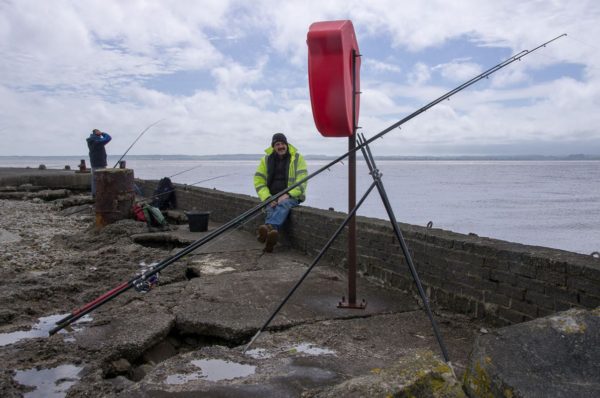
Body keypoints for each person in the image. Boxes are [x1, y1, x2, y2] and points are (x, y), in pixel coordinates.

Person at [254, 133, 307, 252]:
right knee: (270, 207)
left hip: (292, 195)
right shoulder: (266, 160)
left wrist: (288, 194)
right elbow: (258, 181)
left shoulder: (298, 158)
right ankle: (270, 241)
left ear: (287, 145)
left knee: (284, 204)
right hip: (272, 196)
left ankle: (269, 228)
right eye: (277, 144)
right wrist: (268, 197)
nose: (281, 146)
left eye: (283, 143)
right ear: (273, 147)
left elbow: (302, 181)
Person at [86, 128, 112, 197]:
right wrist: (103, 133)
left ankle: (95, 194)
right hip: (99, 163)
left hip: (95, 162)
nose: (100, 133)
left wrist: (100, 134)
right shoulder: (96, 140)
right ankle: (98, 194)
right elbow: (108, 138)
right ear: (96, 132)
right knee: (99, 179)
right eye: (99, 131)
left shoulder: (93, 140)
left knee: (95, 179)